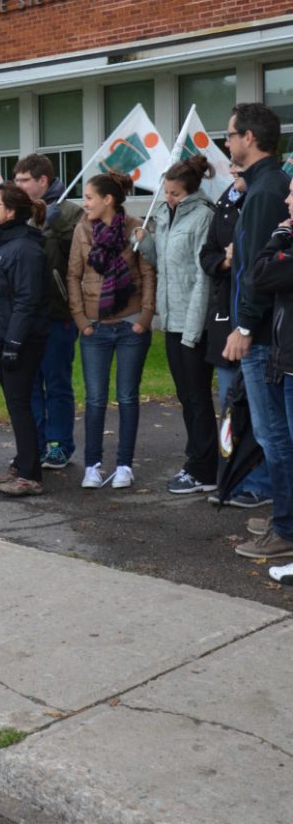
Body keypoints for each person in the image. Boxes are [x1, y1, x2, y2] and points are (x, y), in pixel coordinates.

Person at [219, 103, 293, 561]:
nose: (226, 143)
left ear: (249, 137)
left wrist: (244, 324)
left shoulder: (267, 191)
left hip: (263, 336)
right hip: (265, 332)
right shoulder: (266, 187)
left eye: (229, 135)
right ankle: (283, 514)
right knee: (274, 436)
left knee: (274, 437)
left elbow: (259, 271)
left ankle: (284, 526)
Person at [135, 155, 218, 495]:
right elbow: (164, 264)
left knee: (197, 397)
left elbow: (202, 277)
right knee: (186, 396)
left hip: (192, 324)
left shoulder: (203, 217)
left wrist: (194, 330)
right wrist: (147, 244)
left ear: (191, 192)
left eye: (174, 193)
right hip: (171, 320)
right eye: (166, 192)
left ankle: (203, 468)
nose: (168, 198)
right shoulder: (165, 216)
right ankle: (197, 460)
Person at [67, 171, 155, 489]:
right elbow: (72, 276)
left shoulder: (136, 228)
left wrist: (144, 318)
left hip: (130, 325)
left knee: (128, 398)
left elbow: (147, 274)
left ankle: (124, 466)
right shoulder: (81, 229)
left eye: (89, 197)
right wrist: (80, 320)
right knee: (95, 399)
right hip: (95, 328)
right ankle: (92, 465)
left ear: (108, 200)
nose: (84, 203)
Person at [199, 164, 272, 509]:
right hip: (227, 318)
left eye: (239, 166)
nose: (233, 169)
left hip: (256, 327)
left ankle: (262, 483)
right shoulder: (225, 205)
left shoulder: (265, 199)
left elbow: (263, 267)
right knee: (231, 404)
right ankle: (234, 478)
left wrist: (246, 326)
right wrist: (225, 262)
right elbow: (207, 255)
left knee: (264, 417)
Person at [13, 153, 83, 469]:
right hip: (26, 315)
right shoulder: (20, 211)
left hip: (57, 312)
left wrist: (59, 226)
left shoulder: (70, 211)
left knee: (56, 382)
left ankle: (60, 444)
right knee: (29, 384)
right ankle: (37, 443)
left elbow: (82, 256)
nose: (18, 186)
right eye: (15, 181)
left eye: (24, 180)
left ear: (42, 181)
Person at [0, 183, 50, 496]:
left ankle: (30, 474)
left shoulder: (25, 248)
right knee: (15, 403)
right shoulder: (0, 242)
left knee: (20, 404)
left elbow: (26, 301)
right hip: (3, 337)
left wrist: (13, 343)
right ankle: (23, 462)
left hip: (22, 340)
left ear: (10, 211)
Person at [251, 177, 293, 579]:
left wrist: (279, 234)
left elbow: (261, 275)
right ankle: (286, 524)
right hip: (284, 360)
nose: (287, 199)